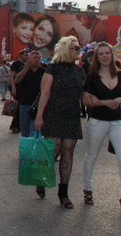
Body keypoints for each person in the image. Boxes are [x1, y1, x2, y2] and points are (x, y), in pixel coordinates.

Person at [81, 42, 121, 216]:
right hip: (97, 120)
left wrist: (118, 101)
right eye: (101, 53)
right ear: (97, 57)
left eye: (107, 53)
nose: (105, 56)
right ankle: (87, 189)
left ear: (112, 55)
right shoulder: (92, 77)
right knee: (91, 156)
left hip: (117, 122)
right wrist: (104, 102)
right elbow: (86, 99)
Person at [34, 36, 86, 208]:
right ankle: (41, 180)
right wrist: (39, 116)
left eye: (79, 48)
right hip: (54, 113)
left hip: (72, 114)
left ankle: (63, 192)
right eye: (75, 48)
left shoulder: (80, 71)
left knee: (68, 151)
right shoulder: (52, 68)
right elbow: (45, 93)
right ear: (65, 50)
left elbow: (83, 95)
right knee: (53, 150)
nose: (79, 50)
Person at [13, 50, 46, 137]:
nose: (37, 60)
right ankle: (26, 148)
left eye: (39, 58)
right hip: (25, 103)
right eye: (35, 58)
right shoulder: (23, 69)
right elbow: (17, 80)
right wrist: (26, 68)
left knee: (35, 131)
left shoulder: (44, 71)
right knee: (25, 130)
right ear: (30, 59)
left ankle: (33, 148)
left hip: (38, 105)